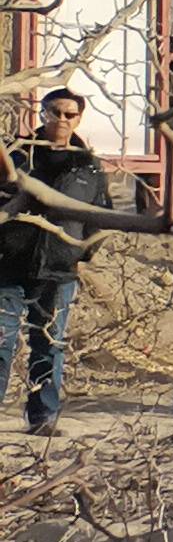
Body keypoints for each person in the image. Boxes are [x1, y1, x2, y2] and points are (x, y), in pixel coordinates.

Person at [0, 87, 114, 433]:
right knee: (1, 342)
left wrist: (81, 252)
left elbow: (101, 216)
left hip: (58, 272)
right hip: (8, 266)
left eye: (69, 114)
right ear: (42, 114)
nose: (61, 120)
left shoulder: (89, 169)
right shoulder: (17, 158)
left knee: (49, 346)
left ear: (78, 118)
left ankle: (43, 418)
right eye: (54, 112)